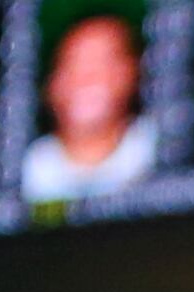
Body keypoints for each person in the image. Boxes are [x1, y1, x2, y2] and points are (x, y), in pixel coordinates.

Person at [21, 11, 154, 204]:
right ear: (51, 84)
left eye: (104, 63)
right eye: (74, 64)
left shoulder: (156, 150)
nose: (87, 78)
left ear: (133, 71)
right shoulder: (29, 170)